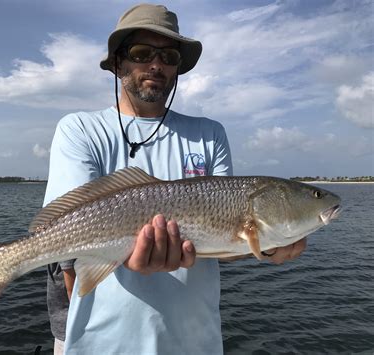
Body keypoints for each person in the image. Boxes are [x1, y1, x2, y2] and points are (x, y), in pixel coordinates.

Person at [43, 4, 306, 354]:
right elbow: (65, 241)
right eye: (141, 53)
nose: (156, 64)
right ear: (118, 63)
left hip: (195, 341)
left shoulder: (209, 133)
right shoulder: (79, 128)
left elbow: (224, 242)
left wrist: (269, 242)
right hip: (99, 343)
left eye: (168, 56)